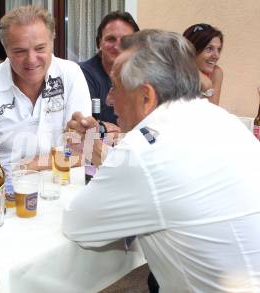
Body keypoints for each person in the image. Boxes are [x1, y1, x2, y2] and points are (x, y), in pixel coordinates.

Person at [63, 29, 260, 292]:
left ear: (146, 96)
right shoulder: (222, 120)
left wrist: (98, 153)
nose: (109, 98)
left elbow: (79, 226)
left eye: (116, 86)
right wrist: (95, 150)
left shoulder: (143, 151)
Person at [0, 5, 91, 170]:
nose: (31, 60)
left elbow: (82, 152)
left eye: (40, 48)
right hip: (5, 190)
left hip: (63, 187)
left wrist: (31, 166)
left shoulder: (70, 73)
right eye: (20, 51)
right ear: (5, 48)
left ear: (53, 41)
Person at [79, 11, 139, 126]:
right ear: (99, 43)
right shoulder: (81, 75)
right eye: (111, 39)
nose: (117, 46)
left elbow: (152, 128)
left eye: (125, 40)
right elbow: (86, 128)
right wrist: (105, 130)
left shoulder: (145, 75)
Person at [183, 23, 223, 105]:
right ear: (191, 50)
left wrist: (207, 86)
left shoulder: (215, 73)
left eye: (218, 49)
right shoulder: (173, 73)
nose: (217, 56)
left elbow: (213, 113)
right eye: (209, 49)